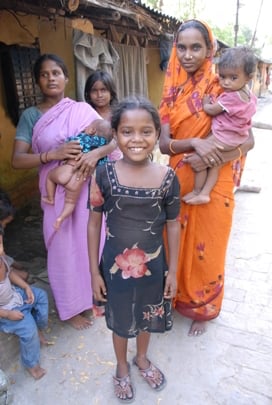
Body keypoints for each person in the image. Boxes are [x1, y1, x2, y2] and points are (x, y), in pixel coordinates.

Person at [159, 19, 255, 336]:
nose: (188, 55)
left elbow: (248, 140)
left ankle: (203, 307)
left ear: (209, 49)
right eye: (182, 47)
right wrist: (194, 144)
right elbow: (162, 143)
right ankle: (175, 297)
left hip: (217, 182)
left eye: (196, 47)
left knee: (208, 246)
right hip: (180, 180)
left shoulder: (224, 86)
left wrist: (212, 156)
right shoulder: (170, 92)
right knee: (175, 244)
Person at [12, 54, 116, 330]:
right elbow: (17, 159)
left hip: (86, 187)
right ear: (37, 81)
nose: (51, 78)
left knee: (89, 245)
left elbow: (114, 140)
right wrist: (51, 154)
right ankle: (69, 308)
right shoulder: (31, 116)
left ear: (66, 78)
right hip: (54, 190)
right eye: (44, 74)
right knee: (61, 247)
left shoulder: (81, 109)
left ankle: (92, 298)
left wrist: (95, 155)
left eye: (56, 72)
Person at [87, 96, 181, 402]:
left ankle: (142, 358)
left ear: (157, 134)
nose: (137, 139)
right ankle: (122, 365)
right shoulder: (104, 174)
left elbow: (173, 225)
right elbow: (93, 225)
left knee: (147, 315)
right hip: (116, 269)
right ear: (114, 134)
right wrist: (94, 273)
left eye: (146, 131)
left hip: (153, 267)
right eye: (127, 131)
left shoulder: (168, 179)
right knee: (120, 319)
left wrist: (173, 272)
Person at [183, 46, 257, 205]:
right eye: (222, 76)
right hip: (237, 138)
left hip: (223, 138)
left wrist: (205, 103)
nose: (226, 82)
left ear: (248, 78)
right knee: (215, 165)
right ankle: (205, 193)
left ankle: (197, 191)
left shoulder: (230, 97)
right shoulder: (250, 97)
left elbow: (211, 110)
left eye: (233, 78)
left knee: (201, 158)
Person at [42, 119, 112, 230]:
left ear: (92, 130)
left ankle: (50, 198)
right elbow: (103, 166)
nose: (85, 128)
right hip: (78, 180)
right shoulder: (102, 152)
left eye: (87, 127)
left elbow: (67, 146)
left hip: (66, 170)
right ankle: (61, 218)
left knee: (50, 176)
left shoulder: (81, 138)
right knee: (70, 202)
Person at [0, 226, 49, 380]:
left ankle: (38, 327)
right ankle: (31, 365)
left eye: (0, 244)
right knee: (28, 331)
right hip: (5, 311)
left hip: (16, 296)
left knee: (41, 296)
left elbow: (10, 273)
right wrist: (8, 314)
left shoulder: (2, 258)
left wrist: (26, 286)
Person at [84, 70, 122, 161]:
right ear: (88, 94)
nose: (99, 95)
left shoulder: (119, 115)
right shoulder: (85, 115)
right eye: (94, 91)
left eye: (103, 90)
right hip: (91, 165)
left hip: (118, 163)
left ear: (111, 93)